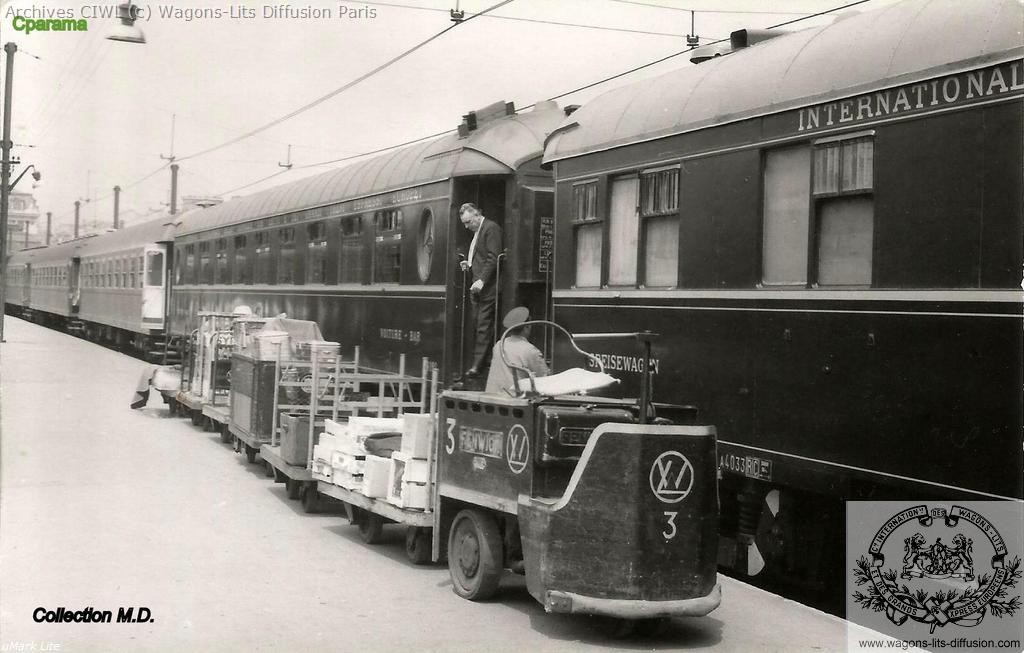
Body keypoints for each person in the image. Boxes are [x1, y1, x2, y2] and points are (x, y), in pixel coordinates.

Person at [458, 202, 502, 377]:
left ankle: (478, 365)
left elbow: (493, 257)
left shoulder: (491, 229)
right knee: (478, 324)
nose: (467, 226)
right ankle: (478, 363)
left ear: (477, 215)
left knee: (483, 326)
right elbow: (483, 256)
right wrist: (468, 264)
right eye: (465, 223)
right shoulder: (479, 230)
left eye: (469, 222)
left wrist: (482, 280)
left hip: (488, 288)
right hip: (479, 287)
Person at [485, 306, 549, 395]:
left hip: (492, 397)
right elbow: (544, 379)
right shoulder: (530, 350)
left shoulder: (499, 344)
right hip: (514, 401)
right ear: (527, 326)